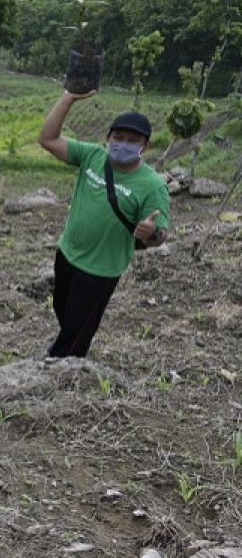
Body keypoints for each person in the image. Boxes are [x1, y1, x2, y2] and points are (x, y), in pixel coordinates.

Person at [38, 92, 169, 358]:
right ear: (108, 138)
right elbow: (47, 139)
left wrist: (151, 233)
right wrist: (68, 98)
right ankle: (64, 350)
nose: (123, 144)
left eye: (133, 141)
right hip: (67, 254)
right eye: (118, 138)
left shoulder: (153, 185)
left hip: (101, 270)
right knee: (64, 313)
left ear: (146, 145)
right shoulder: (91, 156)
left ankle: (60, 371)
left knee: (76, 335)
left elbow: (159, 236)